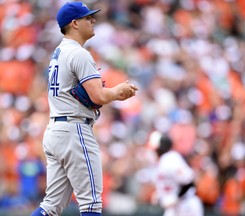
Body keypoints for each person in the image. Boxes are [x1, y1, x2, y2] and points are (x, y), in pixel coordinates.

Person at [31, 2, 138, 216]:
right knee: (91, 205)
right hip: (75, 130)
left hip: (56, 130)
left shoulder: (58, 52)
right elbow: (98, 95)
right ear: (75, 23)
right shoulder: (79, 54)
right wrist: (118, 91)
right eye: (87, 17)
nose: (93, 20)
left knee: (50, 206)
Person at [149, 131, 204, 216]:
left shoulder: (170, 159)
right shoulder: (163, 161)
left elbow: (189, 181)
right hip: (176, 207)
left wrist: (176, 197)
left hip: (186, 205)